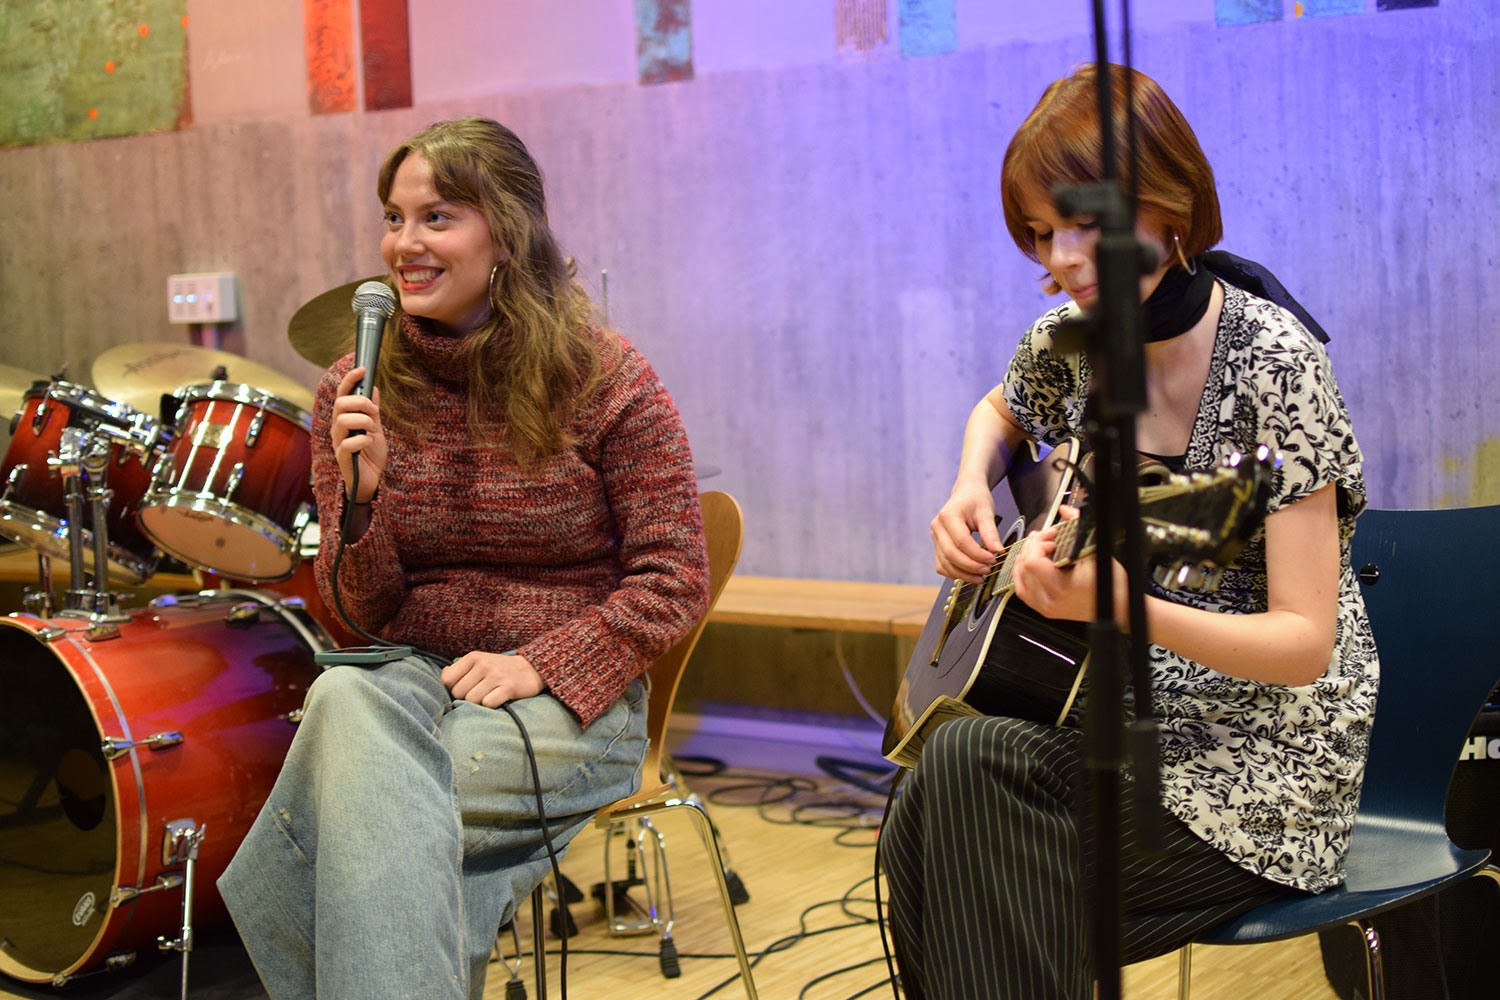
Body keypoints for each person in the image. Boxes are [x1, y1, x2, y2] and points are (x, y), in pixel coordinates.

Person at [878, 64, 1378, 998]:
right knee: (938, 789)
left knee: (966, 830)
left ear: (1168, 205)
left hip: (1265, 766)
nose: (1063, 258)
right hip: (1127, 725)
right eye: (1041, 232)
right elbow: (1000, 409)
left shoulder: (1274, 365)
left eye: (1084, 224)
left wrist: (1115, 604)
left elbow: (1304, 644)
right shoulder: (1070, 339)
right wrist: (968, 484)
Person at [218, 116, 710, 1000]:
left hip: (571, 702)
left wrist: (540, 664)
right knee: (343, 696)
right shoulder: (353, 389)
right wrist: (362, 505)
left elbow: (675, 578)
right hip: (415, 676)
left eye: (436, 217)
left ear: (508, 235)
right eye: (393, 218)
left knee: (363, 806)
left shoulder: (604, 377)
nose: (403, 244)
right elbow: (360, 617)